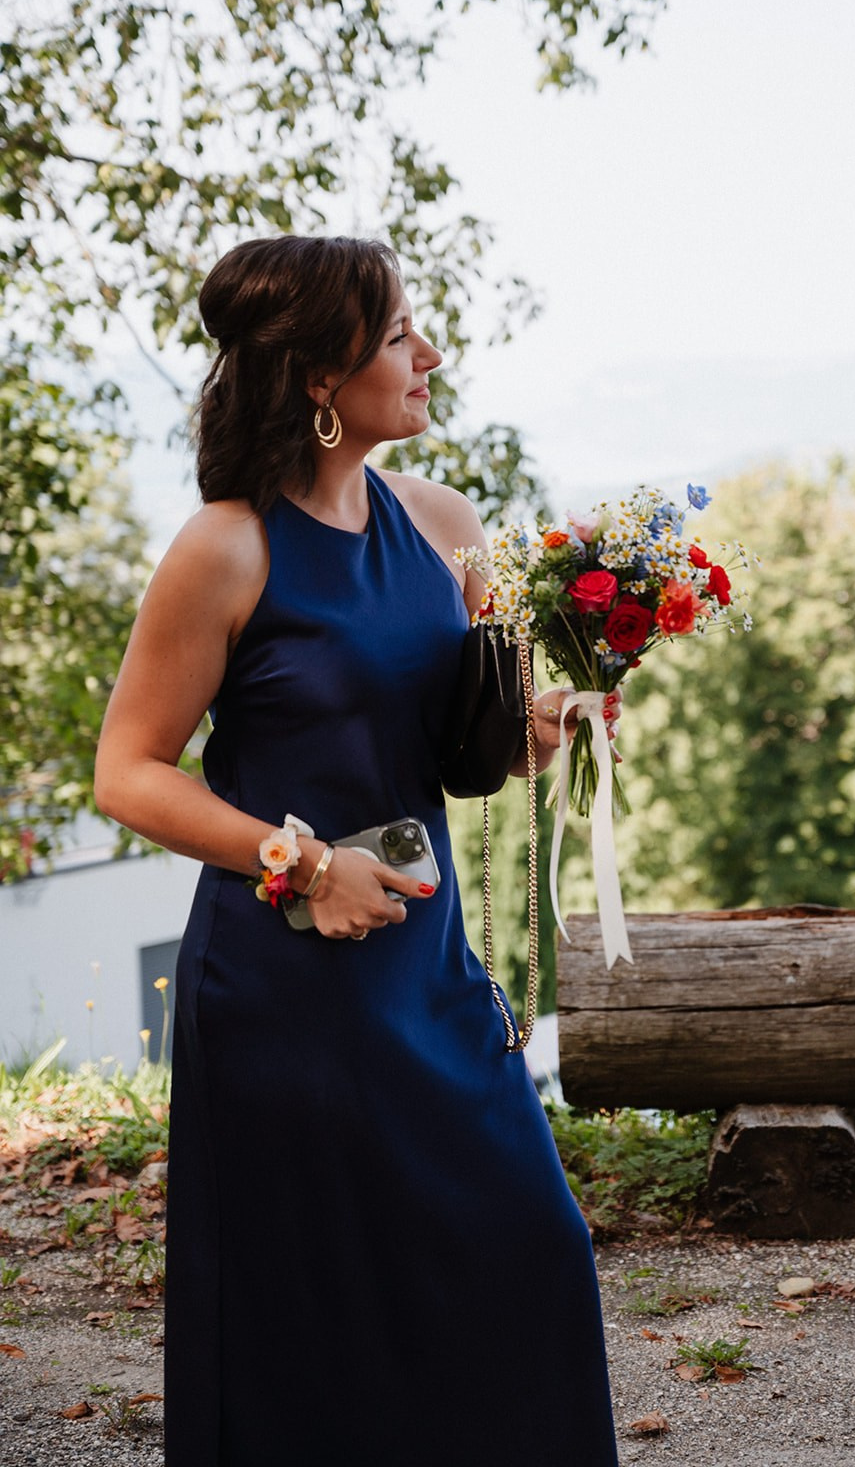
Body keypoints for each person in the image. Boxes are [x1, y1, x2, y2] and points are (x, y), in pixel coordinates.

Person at [94, 235, 620, 1467]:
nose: (428, 355)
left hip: (429, 972)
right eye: (398, 337)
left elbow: (481, 750)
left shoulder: (445, 523)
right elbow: (129, 771)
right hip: (282, 993)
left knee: (527, 1251)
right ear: (322, 377)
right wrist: (302, 862)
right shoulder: (225, 547)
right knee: (311, 1318)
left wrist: (562, 717)